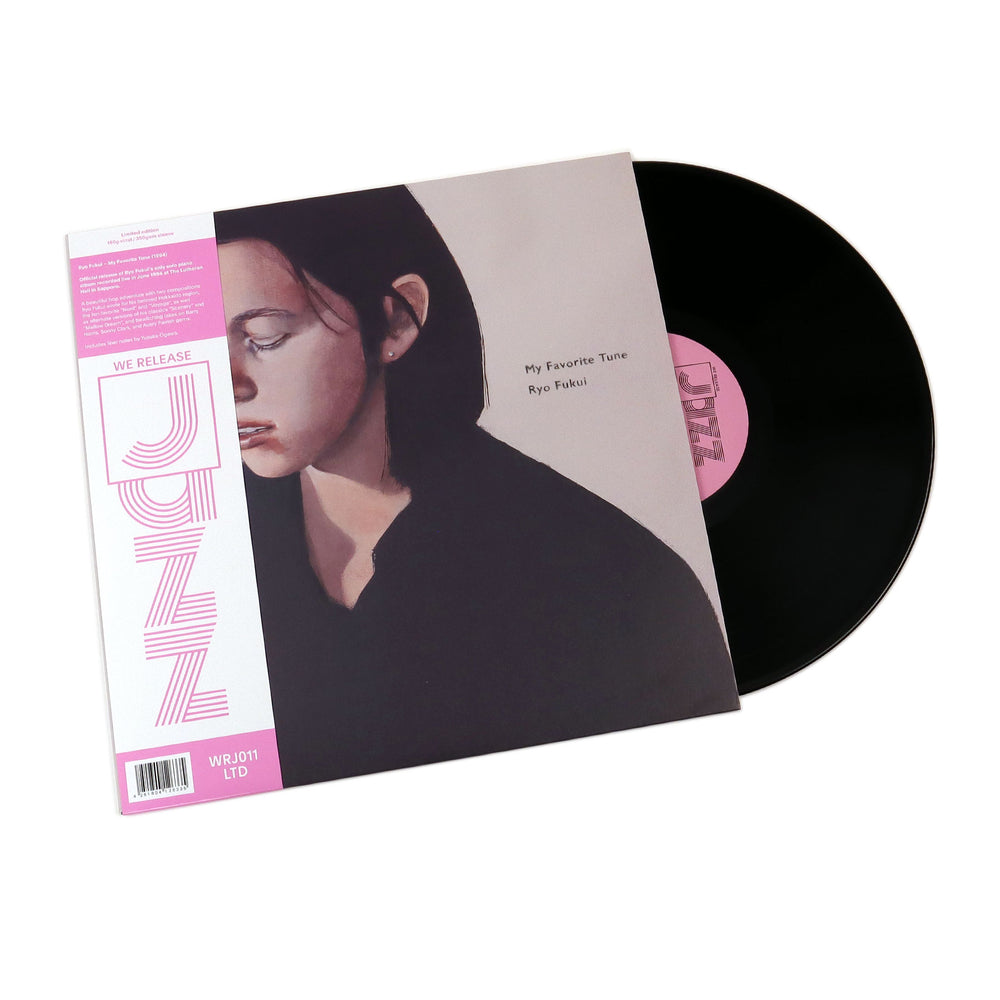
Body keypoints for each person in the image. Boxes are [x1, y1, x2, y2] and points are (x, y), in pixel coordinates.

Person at [214, 187, 738, 787]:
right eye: (201, 347)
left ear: (396, 320)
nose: (227, 382)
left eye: (265, 337)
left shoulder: (610, 579)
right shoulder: (204, 539)